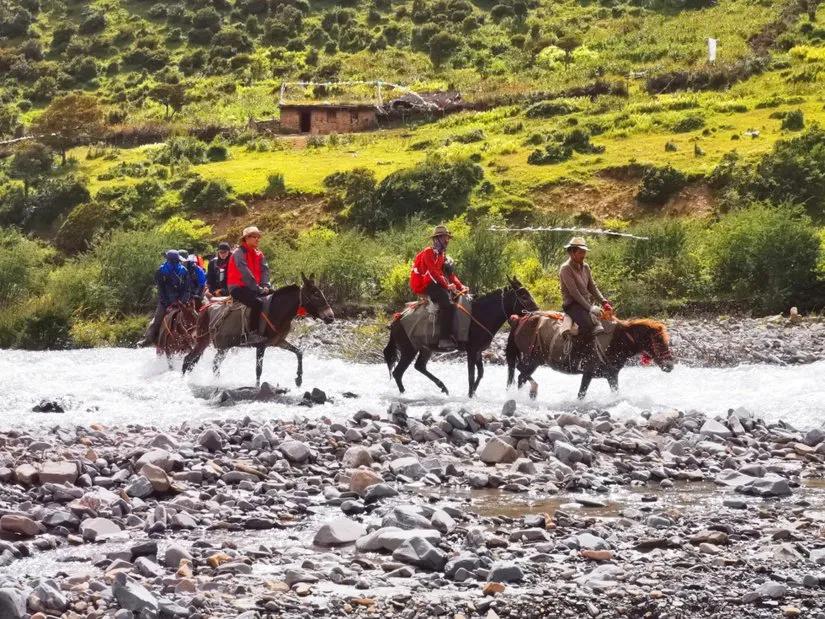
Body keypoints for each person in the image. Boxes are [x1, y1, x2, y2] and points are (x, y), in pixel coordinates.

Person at [410, 225, 467, 350]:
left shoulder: (441, 255)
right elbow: (433, 272)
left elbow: (448, 275)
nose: (447, 240)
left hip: (436, 283)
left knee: (461, 300)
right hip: (426, 284)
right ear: (438, 238)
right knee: (448, 304)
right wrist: (447, 286)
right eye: (445, 238)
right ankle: (443, 339)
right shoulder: (428, 252)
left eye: (448, 238)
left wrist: (461, 286)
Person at [559, 237, 613, 367]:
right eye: (580, 252)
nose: (583, 255)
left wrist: (603, 301)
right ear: (572, 253)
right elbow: (574, 293)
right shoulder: (565, 269)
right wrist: (590, 308)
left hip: (586, 303)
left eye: (584, 252)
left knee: (609, 324)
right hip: (572, 304)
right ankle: (575, 355)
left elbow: (592, 287)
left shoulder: (586, 267)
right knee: (588, 325)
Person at [226, 226, 271, 345]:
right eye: (254, 236)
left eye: (258, 237)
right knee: (258, 303)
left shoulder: (259, 254)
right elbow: (245, 273)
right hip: (238, 287)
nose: (258, 239)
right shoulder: (238, 253)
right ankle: (252, 334)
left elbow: (265, 271)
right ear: (246, 238)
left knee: (276, 297)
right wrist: (259, 289)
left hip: (254, 287)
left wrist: (265, 286)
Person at [138, 250, 191, 347]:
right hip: (165, 301)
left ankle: (198, 338)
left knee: (193, 316)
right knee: (157, 320)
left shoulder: (184, 271)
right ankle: (148, 339)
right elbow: (161, 290)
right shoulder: (161, 271)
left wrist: (181, 301)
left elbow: (186, 289)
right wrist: (169, 302)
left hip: (181, 301)